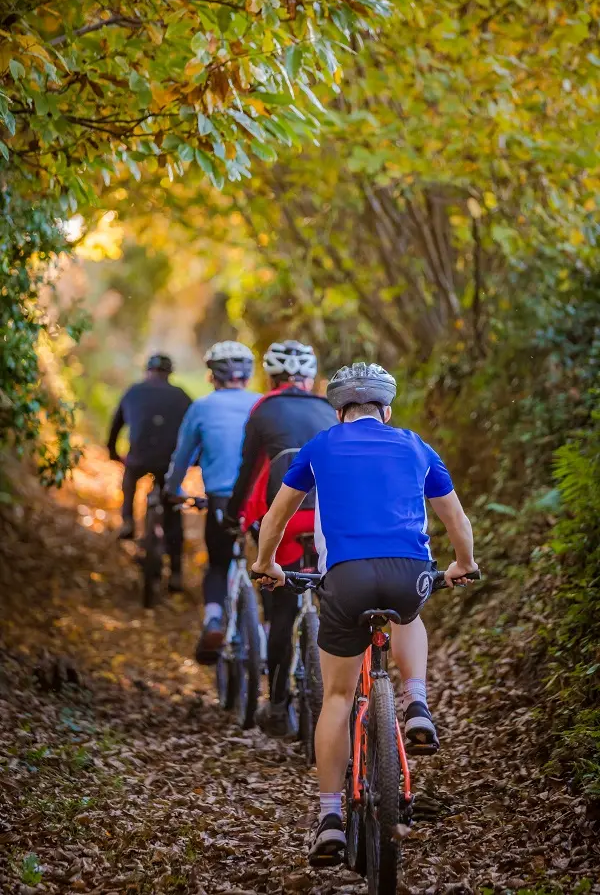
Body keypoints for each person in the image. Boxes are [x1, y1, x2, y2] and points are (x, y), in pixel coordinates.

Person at [251, 362, 478, 865]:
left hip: (347, 579)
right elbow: (455, 517)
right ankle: (416, 701)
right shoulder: (417, 445)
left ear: (338, 411)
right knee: (409, 613)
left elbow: (277, 515)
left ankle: (330, 817)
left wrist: (266, 564)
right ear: (387, 409)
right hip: (408, 573)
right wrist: (463, 564)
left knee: (335, 696)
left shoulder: (321, 445)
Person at [227, 340, 337, 736]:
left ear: (271, 378)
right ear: (310, 378)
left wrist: (232, 514)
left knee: (281, 614)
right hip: (331, 518)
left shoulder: (263, 408)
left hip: (285, 516)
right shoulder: (329, 409)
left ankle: (276, 705)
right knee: (334, 604)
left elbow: (249, 469)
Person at [164, 341, 259, 661]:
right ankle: (274, 629)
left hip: (220, 500)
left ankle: (214, 619)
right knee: (274, 567)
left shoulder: (202, 408)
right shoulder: (262, 404)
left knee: (219, 564)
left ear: (212, 375)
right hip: (263, 502)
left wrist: (172, 489)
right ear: (247, 374)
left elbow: (182, 457)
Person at [107, 354, 192, 592]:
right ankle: (176, 573)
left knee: (130, 475)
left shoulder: (134, 391)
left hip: (139, 459)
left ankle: (127, 521)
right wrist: (192, 461)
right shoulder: (182, 396)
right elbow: (193, 430)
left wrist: (113, 453)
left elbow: (115, 427)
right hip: (169, 462)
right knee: (173, 509)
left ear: (147, 371)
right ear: (169, 373)